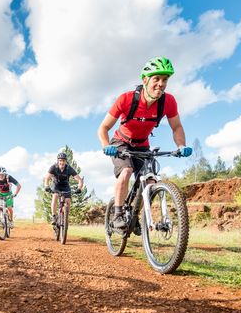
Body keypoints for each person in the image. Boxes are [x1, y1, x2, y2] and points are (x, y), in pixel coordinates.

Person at [97, 56, 192, 229]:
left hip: (142, 145)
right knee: (126, 171)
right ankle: (118, 214)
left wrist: (181, 146)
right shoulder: (126, 99)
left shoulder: (168, 102)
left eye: (165, 80)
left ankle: (135, 217)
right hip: (121, 142)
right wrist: (106, 147)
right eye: (156, 79)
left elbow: (176, 126)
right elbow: (103, 128)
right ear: (145, 80)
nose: (161, 84)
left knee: (150, 182)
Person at [44, 152, 83, 225]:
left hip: (65, 186)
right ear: (58, 161)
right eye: (60, 160)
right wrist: (46, 186)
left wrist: (79, 188)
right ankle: (54, 216)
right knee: (55, 196)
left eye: (63, 160)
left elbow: (79, 180)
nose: (62, 162)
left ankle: (65, 218)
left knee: (67, 201)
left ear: (66, 161)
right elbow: (47, 178)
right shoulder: (53, 167)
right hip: (56, 185)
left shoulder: (69, 168)